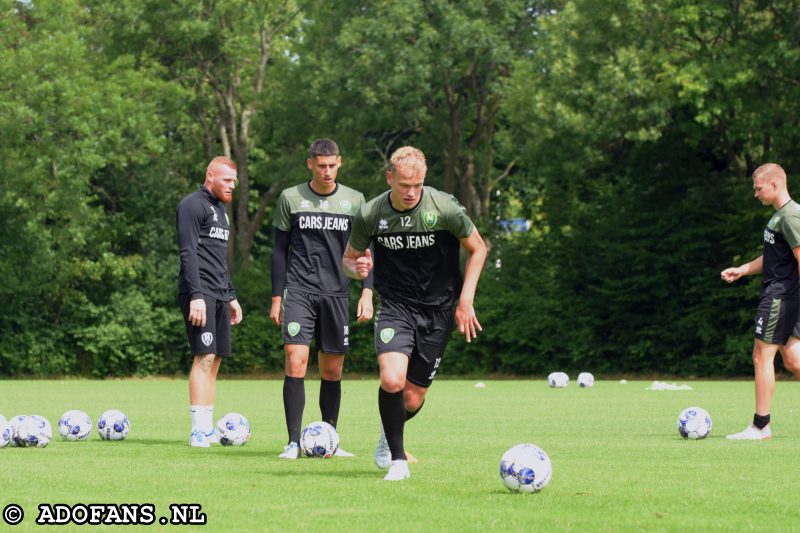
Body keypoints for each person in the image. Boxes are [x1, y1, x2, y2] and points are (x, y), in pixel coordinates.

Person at [343, 146, 487, 480]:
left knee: (412, 397)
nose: (411, 193)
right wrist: (357, 268)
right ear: (389, 177)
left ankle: (386, 436)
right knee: (392, 379)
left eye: (417, 185)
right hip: (396, 306)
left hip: (438, 310)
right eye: (405, 185)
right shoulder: (371, 214)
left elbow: (478, 249)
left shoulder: (444, 207)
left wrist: (465, 301)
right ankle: (397, 460)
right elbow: (350, 259)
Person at [271, 138, 374, 459]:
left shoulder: (355, 201)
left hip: (337, 293)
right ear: (310, 164)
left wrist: (367, 291)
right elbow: (278, 251)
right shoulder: (290, 198)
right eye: (321, 165)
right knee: (295, 361)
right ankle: (292, 442)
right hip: (299, 291)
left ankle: (330, 439)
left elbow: (367, 253)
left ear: (339, 163)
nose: (327, 171)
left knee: (332, 371)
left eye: (332, 165)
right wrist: (277, 296)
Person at [721, 163, 800, 440]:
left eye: (758, 188)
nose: (756, 194)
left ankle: (760, 426)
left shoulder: (790, 216)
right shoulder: (780, 217)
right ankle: (761, 426)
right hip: (783, 295)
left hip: (780, 296)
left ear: (775, 185)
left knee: (761, 355)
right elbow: (776, 257)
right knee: (793, 359)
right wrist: (743, 269)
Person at [176, 156, 243, 448]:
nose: (232, 186)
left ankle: (207, 429)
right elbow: (188, 253)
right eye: (227, 180)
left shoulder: (221, 211)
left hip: (218, 294)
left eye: (234, 181)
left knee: (214, 361)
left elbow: (219, 260)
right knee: (202, 358)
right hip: (199, 294)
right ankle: (197, 431)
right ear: (210, 176)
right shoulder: (192, 205)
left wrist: (231, 296)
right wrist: (196, 295)